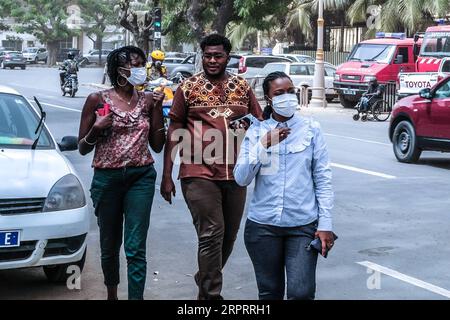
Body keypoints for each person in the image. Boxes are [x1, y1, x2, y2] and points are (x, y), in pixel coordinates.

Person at [160, 34, 263, 300]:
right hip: (198, 173)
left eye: (218, 56)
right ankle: (211, 296)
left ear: (227, 57)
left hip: (236, 175)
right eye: (208, 56)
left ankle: (205, 278)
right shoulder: (188, 87)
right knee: (211, 234)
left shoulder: (242, 86)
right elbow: (175, 130)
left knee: (228, 237)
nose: (213, 60)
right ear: (201, 56)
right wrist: (167, 175)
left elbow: (260, 124)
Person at [233, 71, 335, 300]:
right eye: (279, 93)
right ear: (269, 99)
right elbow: (241, 178)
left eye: (290, 91)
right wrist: (263, 145)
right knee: (270, 292)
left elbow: (323, 178)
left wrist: (325, 223)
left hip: (302, 225)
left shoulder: (311, 129)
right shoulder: (257, 131)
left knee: (301, 292)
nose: (287, 97)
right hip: (263, 226)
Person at [77, 46, 165, 300]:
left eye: (142, 64)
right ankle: (112, 294)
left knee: (136, 246)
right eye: (134, 65)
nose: (140, 70)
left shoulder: (148, 100)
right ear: (119, 70)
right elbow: (83, 147)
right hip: (107, 179)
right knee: (110, 243)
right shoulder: (98, 100)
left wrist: (157, 110)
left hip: (140, 178)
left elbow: (157, 146)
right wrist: (96, 129)